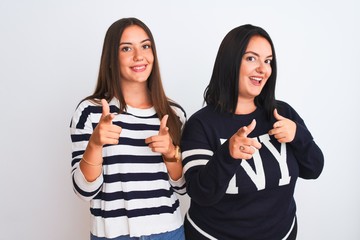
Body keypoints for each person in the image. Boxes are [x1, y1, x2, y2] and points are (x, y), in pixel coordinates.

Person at [180, 24, 324, 240]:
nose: (263, 69)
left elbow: (314, 169)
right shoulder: (201, 124)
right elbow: (201, 193)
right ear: (230, 62)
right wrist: (228, 154)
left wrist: (298, 136)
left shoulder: (281, 113)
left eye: (268, 61)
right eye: (251, 58)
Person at [69, 17, 186, 240]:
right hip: (112, 235)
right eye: (126, 48)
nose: (139, 56)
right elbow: (83, 191)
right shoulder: (89, 112)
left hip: (168, 233)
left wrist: (171, 154)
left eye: (145, 46)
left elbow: (183, 187)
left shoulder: (174, 114)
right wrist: (95, 144)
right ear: (111, 59)